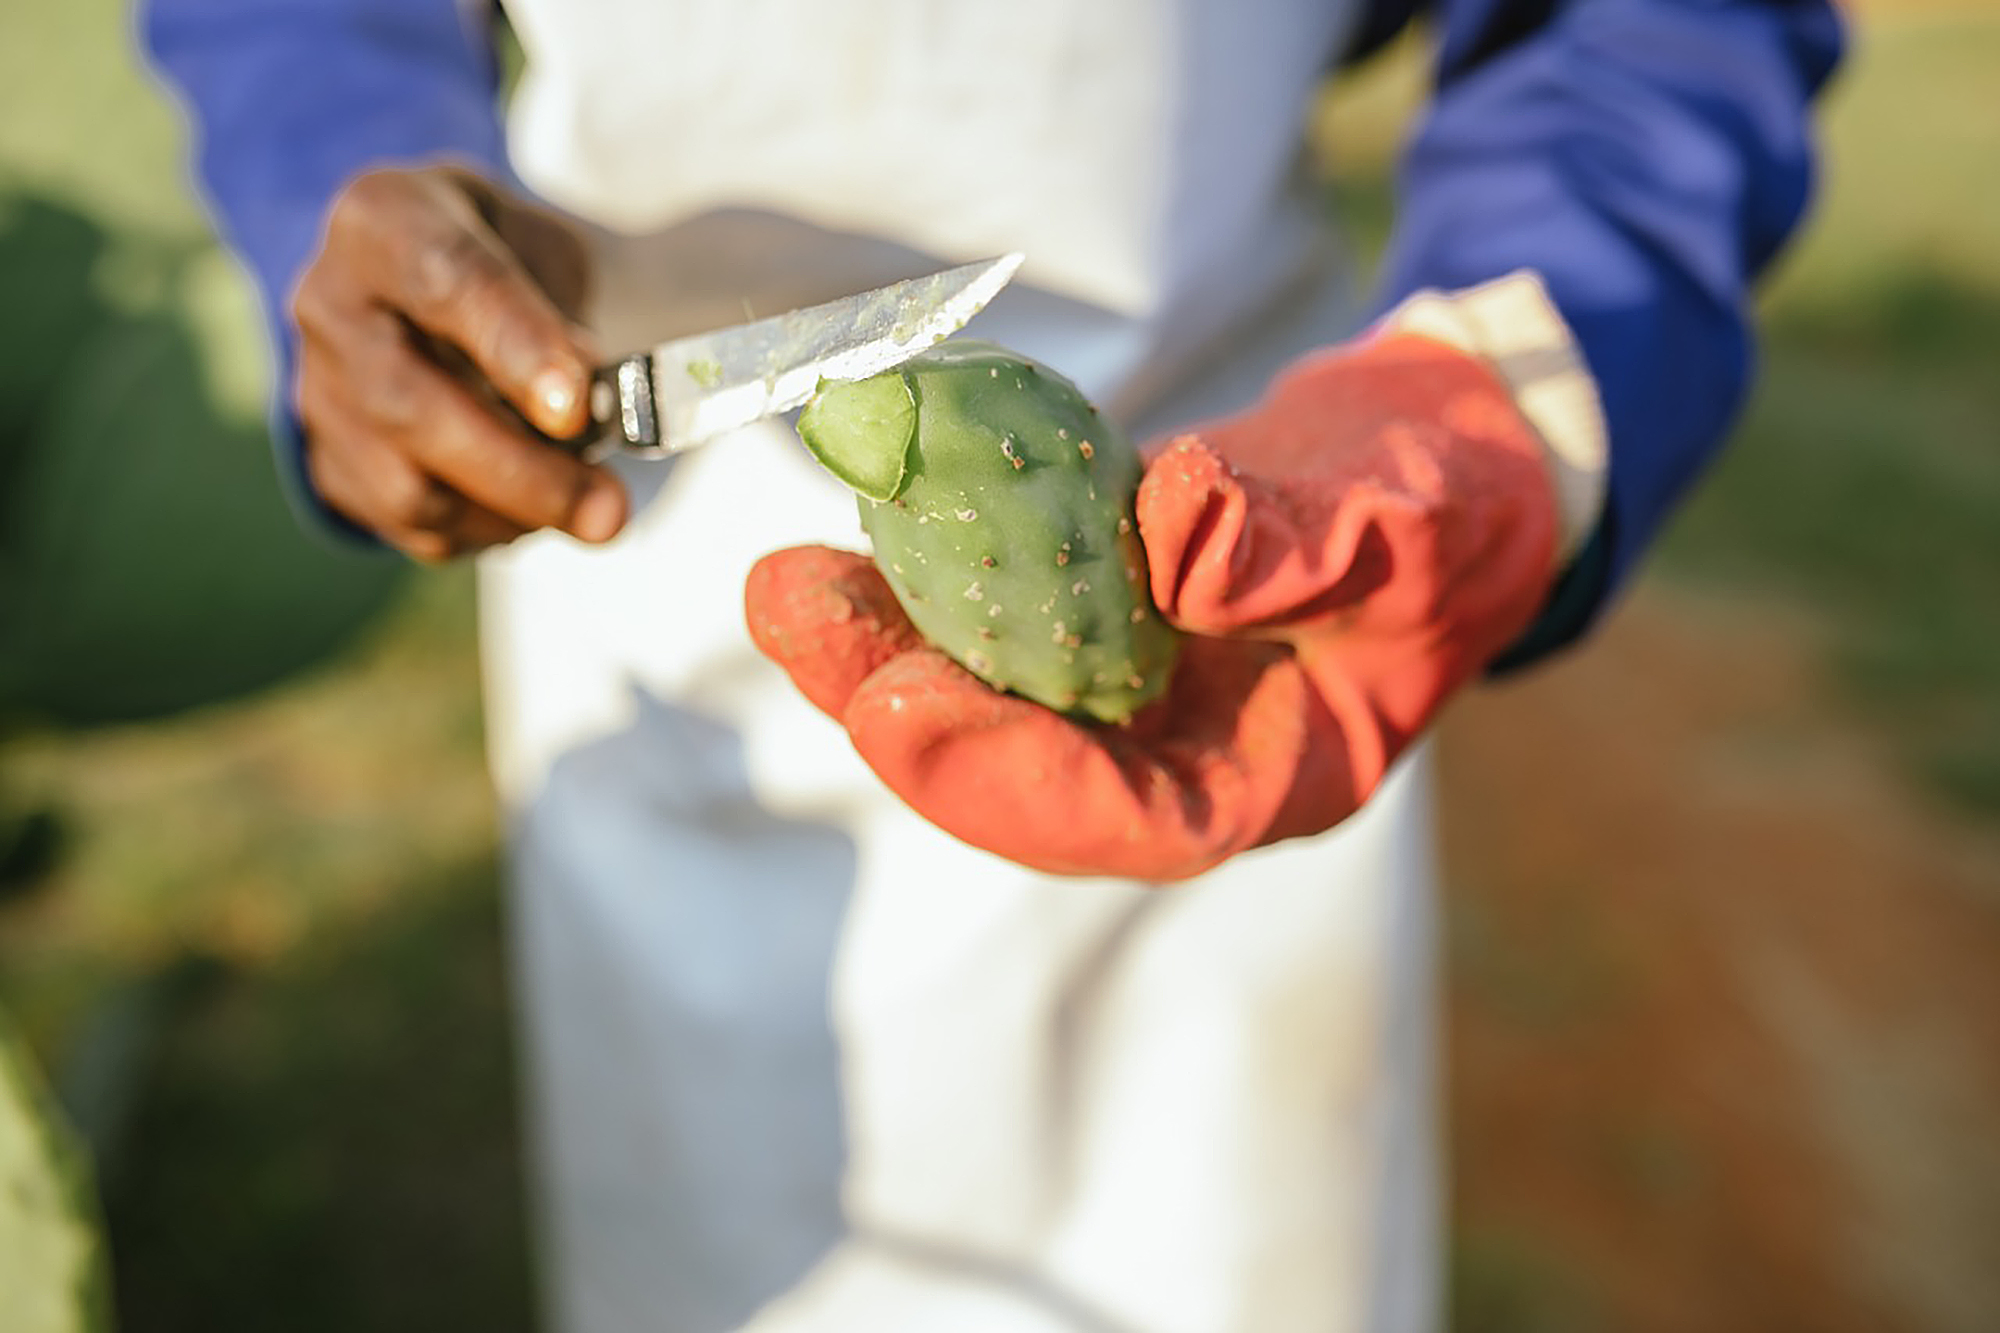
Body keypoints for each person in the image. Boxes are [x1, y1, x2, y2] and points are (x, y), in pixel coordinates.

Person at [142, 2, 1842, 1329]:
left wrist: (1510, 403)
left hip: (1241, 585)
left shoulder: (1264, 580)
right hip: (652, 582)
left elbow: (1645, 23)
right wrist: (342, 186)